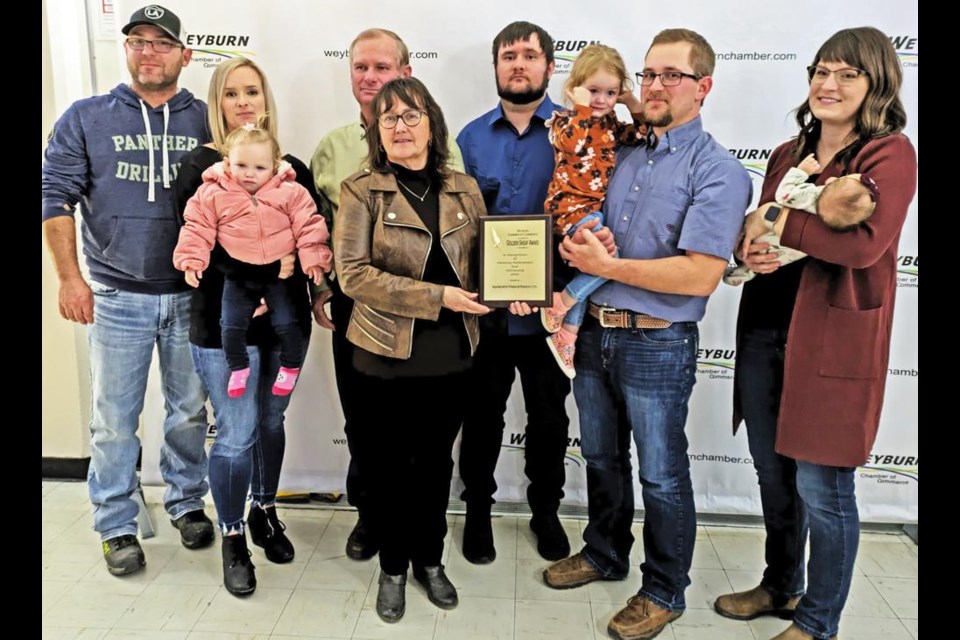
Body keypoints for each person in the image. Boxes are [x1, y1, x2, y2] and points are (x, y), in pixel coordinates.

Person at [542, 29, 752, 640]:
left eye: (671, 76)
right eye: (649, 74)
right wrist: (569, 244)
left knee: (660, 472)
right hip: (594, 333)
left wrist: (607, 268)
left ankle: (664, 588)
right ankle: (604, 552)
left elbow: (700, 274)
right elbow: (578, 217)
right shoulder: (622, 148)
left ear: (703, 87)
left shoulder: (718, 171)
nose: (654, 86)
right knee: (603, 457)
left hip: (658, 341)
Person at [713, 27, 917, 640]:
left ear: (875, 82)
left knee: (825, 489)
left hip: (831, 346)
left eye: (847, 74)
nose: (828, 85)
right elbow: (761, 233)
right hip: (763, 334)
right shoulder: (785, 152)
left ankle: (818, 620)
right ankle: (782, 585)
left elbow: (863, 246)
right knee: (773, 478)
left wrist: (781, 222)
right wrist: (751, 243)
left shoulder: (890, 154)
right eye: (821, 71)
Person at [41, 4, 213, 576]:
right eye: (138, 41)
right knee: (114, 419)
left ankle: (187, 501)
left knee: (189, 411)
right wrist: (71, 278)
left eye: (161, 43)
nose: (149, 52)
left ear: (185, 55)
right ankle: (116, 522)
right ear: (126, 50)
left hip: (193, 295)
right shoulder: (86, 117)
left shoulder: (211, 121)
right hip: (117, 297)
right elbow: (54, 199)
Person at [334, 77, 489, 623]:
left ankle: (431, 559)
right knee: (389, 468)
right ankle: (394, 568)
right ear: (376, 129)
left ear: (432, 124)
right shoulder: (360, 191)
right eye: (389, 117)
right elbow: (352, 276)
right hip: (382, 353)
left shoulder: (464, 187)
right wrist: (438, 296)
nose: (400, 126)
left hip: (453, 352)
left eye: (412, 115)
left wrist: (516, 291)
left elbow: (488, 261)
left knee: (435, 466)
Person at [175, 57, 331, 596]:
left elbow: (310, 234)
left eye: (253, 92)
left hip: (285, 319)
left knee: (270, 420)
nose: (244, 102)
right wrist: (261, 272)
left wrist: (310, 281)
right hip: (225, 323)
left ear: (266, 101)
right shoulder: (202, 169)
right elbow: (196, 246)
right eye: (232, 93)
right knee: (237, 432)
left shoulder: (291, 170)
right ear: (217, 104)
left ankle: (265, 510)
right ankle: (233, 533)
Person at [310, 28, 464, 561]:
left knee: (421, 439)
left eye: (382, 67)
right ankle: (371, 517)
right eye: (360, 68)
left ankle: (418, 540)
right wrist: (321, 288)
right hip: (357, 304)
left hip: (428, 309)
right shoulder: (331, 148)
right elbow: (317, 228)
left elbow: (460, 236)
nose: (370, 78)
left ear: (406, 72)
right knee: (364, 423)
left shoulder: (445, 153)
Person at [456, 20, 591, 565]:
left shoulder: (575, 134)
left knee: (550, 421)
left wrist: (549, 287)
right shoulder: (466, 138)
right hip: (484, 312)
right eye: (508, 55)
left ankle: (545, 513)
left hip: (552, 311)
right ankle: (479, 513)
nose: (518, 64)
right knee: (482, 418)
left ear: (549, 67)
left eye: (529, 56)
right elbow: (458, 228)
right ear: (495, 67)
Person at [174, 123, 331, 398]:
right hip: (237, 278)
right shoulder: (213, 192)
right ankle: (238, 368)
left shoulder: (291, 192)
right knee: (231, 325)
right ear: (227, 163)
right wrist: (191, 258)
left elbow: (309, 225)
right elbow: (196, 227)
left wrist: (314, 259)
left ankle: (290, 366)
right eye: (241, 165)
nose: (249, 174)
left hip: (279, 279)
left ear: (274, 166)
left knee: (286, 322)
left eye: (259, 168)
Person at [539, 43, 647, 378]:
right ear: (575, 88)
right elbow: (574, 143)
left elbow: (643, 134)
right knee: (608, 263)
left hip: (594, 213)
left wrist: (632, 104)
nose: (600, 100)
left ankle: (566, 335)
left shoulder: (612, 124)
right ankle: (563, 303)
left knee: (591, 267)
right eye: (593, 90)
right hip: (568, 210)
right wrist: (581, 108)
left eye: (610, 92)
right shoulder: (562, 121)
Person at [723, 152, 879, 286]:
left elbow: (784, 195)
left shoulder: (811, 195)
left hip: (770, 244)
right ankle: (745, 271)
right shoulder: (837, 221)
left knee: (755, 247)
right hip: (788, 256)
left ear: (830, 181)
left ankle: (739, 267)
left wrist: (801, 172)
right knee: (768, 258)